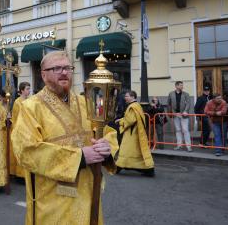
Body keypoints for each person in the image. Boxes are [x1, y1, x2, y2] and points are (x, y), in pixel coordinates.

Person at [12, 51, 117, 224]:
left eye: (68, 67)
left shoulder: (84, 102)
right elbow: (26, 151)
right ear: (43, 74)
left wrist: (107, 147)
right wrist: (80, 157)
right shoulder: (30, 107)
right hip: (53, 199)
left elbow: (105, 132)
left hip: (89, 190)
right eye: (57, 68)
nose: (64, 72)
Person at [116, 91, 155, 176]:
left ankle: (119, 166)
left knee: (126, 150)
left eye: (126, 96)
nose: (125, 98)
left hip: (132, 133)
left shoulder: (132, 107)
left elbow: (130, 120)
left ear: (132, 97)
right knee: (137, 151)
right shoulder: (136, 105)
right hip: (135, 132)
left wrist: (121, 122)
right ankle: (147, 169)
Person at [10, 82, 31, 178]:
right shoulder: (17, 102)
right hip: (21, 130)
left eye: (29, 89)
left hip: (29, 130)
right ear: (22, 90)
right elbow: (15, 117)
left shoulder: (30, 100)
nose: (29, 91)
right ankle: (20, 174)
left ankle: (27, 172)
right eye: (27, 89)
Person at [167, 81, 192, 152]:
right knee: (178, 130)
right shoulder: (171, 94)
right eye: (181, 85)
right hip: (175, 115)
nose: (182, 87)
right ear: (176, 86)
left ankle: (188, 146)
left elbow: (188, 103)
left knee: (185, 130)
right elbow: (169, 104)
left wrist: (185, 111)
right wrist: (171, 113)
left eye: (182, 85)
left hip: (183, 115)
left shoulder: (186, 94)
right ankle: (179, 145)